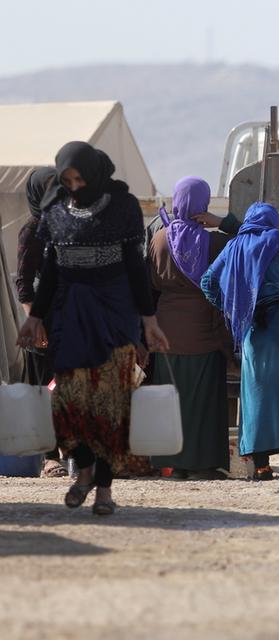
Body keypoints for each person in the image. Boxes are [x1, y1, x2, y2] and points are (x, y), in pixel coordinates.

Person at [17, 141, 169, 515]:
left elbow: (136, 269)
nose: (74, 186)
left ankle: (102, 489)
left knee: (109, 408)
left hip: (114, 318)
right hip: (69, 317)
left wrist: (148, 321)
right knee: (67, 406)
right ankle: (83, 469)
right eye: (67, 179)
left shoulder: (123, 208)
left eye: (80, 178)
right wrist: (34, 316)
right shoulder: (54, 210)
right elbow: (49, 271)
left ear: (96, 174)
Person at [200, 201, 279, 482]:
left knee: (258, 395)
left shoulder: (233, 246)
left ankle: (262, 467)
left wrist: (232, 307)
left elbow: (208, 282)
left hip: (252, 327)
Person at [148, 176, 240, 479]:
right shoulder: (215, 242)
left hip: (165, 333)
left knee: (171, 401)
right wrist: (223, 221)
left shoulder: (159, 239)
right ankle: (204, 465)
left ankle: (174, 465)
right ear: (204, 204)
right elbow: (253, 235)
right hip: (204, 331)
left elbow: (148, 286)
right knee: (203, 401)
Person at [16, 167, 68, 478]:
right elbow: (23, 284)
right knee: (44, 388)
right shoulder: (32, 230)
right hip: (44, 321)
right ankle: (50, 458)